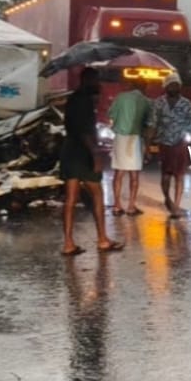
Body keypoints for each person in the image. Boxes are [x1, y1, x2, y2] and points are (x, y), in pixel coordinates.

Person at [60, 68, 124, 255]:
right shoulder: (85, 102)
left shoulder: (72, 99)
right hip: (83, 154)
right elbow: (85, 131)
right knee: (97, 194)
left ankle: (68, 243)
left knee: (70, 199)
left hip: (69, 151)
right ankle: (103, 239)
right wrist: (95, 154)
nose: (99, 84)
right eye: (96, 80)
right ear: (88, 80)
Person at [149, 78, 191, 216]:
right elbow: (153, 124)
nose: (173, 87)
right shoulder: (159, 103)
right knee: (165, 176)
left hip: (180, 143)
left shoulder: (187, 104)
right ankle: (167, 198)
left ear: (180, 87)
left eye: (176, 85)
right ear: (165, 87)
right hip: (164, 143)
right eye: (171, 85)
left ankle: (176, 206)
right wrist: (147, 144)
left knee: (179, 176)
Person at [107, 80, 154, 216]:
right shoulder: (146, 102)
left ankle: (117, 205)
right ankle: (131, 206)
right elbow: (148, 125)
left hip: (121, 138)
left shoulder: (120, 97)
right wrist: (148, 147)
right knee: (134, 176)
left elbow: (111, 115)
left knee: (119, 174)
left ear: (133, 85)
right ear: (145, 88)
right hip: (136, 140)